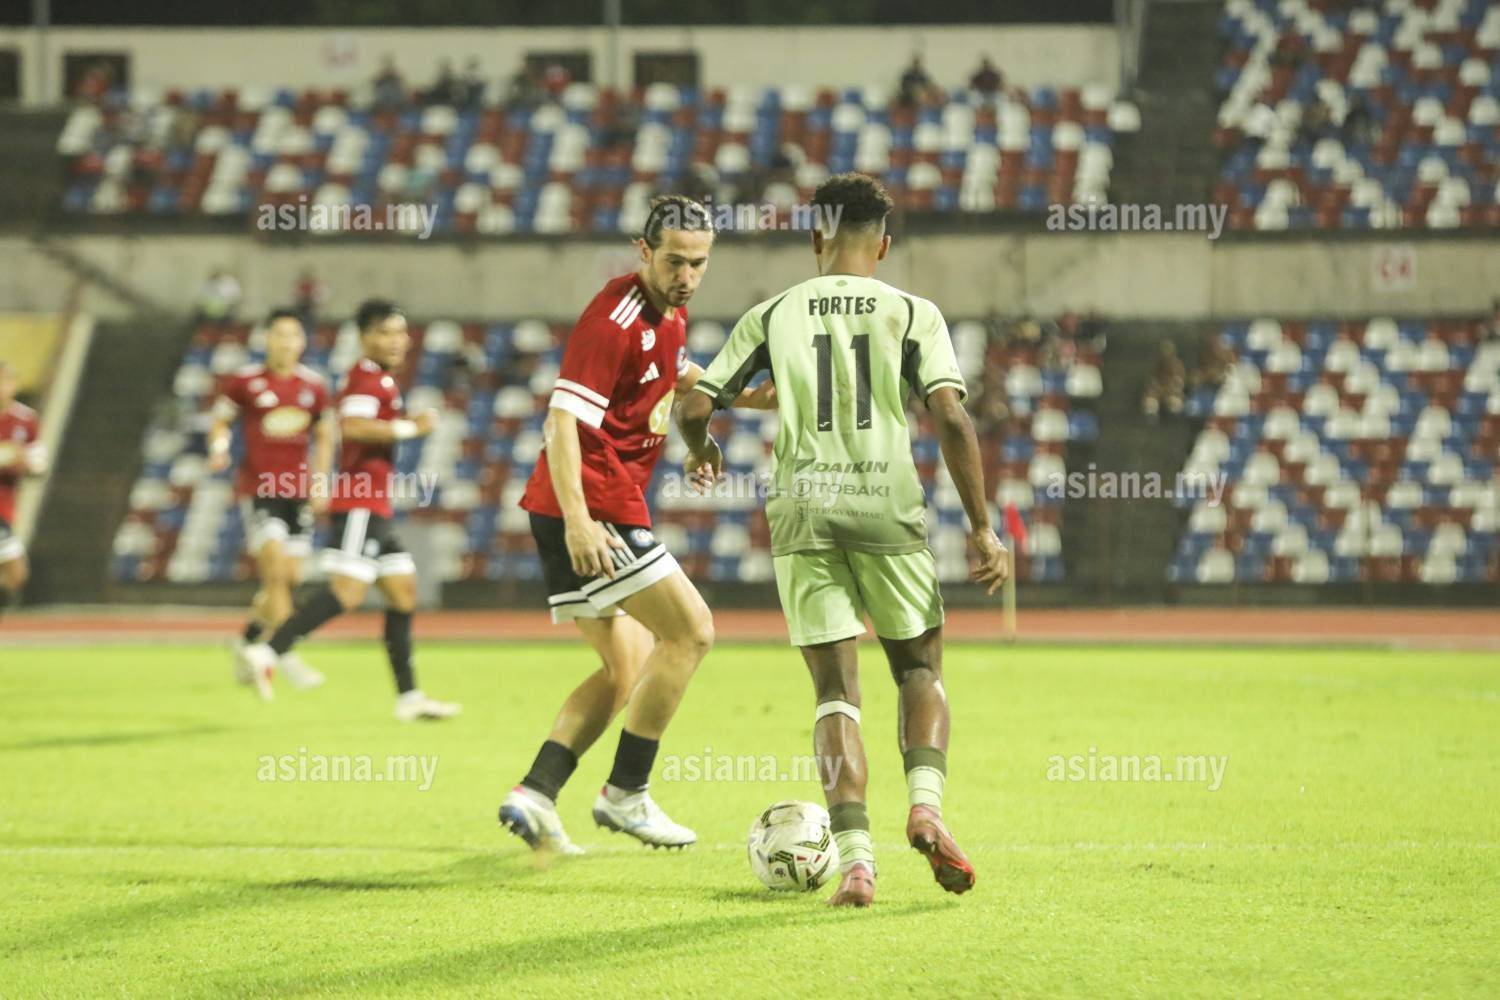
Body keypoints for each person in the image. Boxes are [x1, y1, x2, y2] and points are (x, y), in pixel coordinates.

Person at [678, 173, 1009, 907]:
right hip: (885, 503)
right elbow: (952, 419)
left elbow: (696, 404)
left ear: (815, 237)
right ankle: (925, 807)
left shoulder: (773, 313)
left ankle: (857, 862)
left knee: (835, 693)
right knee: (918, 669)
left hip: (803, 510)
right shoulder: (913, 312)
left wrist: (703, 449)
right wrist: (983, 528)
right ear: (883, 245)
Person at [497, 195, 776, 855]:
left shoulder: (670, 314)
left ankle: (536, 792)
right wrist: (579, 521)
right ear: (643, 251)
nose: (687, 275)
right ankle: (626, 793)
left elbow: (675, 381)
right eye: (674, 260)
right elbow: (562, 422)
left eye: (699, 263)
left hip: (579, 505)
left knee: (625, 668)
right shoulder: (613, 319)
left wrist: (738, 408)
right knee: (692, 631)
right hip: (591, 505)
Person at [241, 300, 460, 721]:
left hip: (375, 503)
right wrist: (410, 427)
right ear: (364, 337)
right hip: (360, 503)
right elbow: (353, 426)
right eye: (385, 332)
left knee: (403, 592)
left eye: (400, 332)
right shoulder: (365, 378)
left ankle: (409, 698)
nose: (396, 341)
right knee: (347, 592)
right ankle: (268, 650)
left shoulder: (379, 379)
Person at [210, 310, 333, 691]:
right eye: (279, 334)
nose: (286, 342)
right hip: (260, 490)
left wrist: (320, 482)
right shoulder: (245, 381)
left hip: (297, 493)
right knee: (276, 573)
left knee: (290, 578)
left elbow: (325, 436)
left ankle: (248, 639)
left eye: (293, 335)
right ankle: (284, 654)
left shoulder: (313, 386)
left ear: (302, 342)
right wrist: (219, 447)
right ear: (267, 339)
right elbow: (220, 421)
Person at [0, 362, 47, 618]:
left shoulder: (26, 419)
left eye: (4, 381)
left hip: (7, 508)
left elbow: (39, 464)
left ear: (13, 384)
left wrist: (23, 461)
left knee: (15, 576)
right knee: (16, 572)